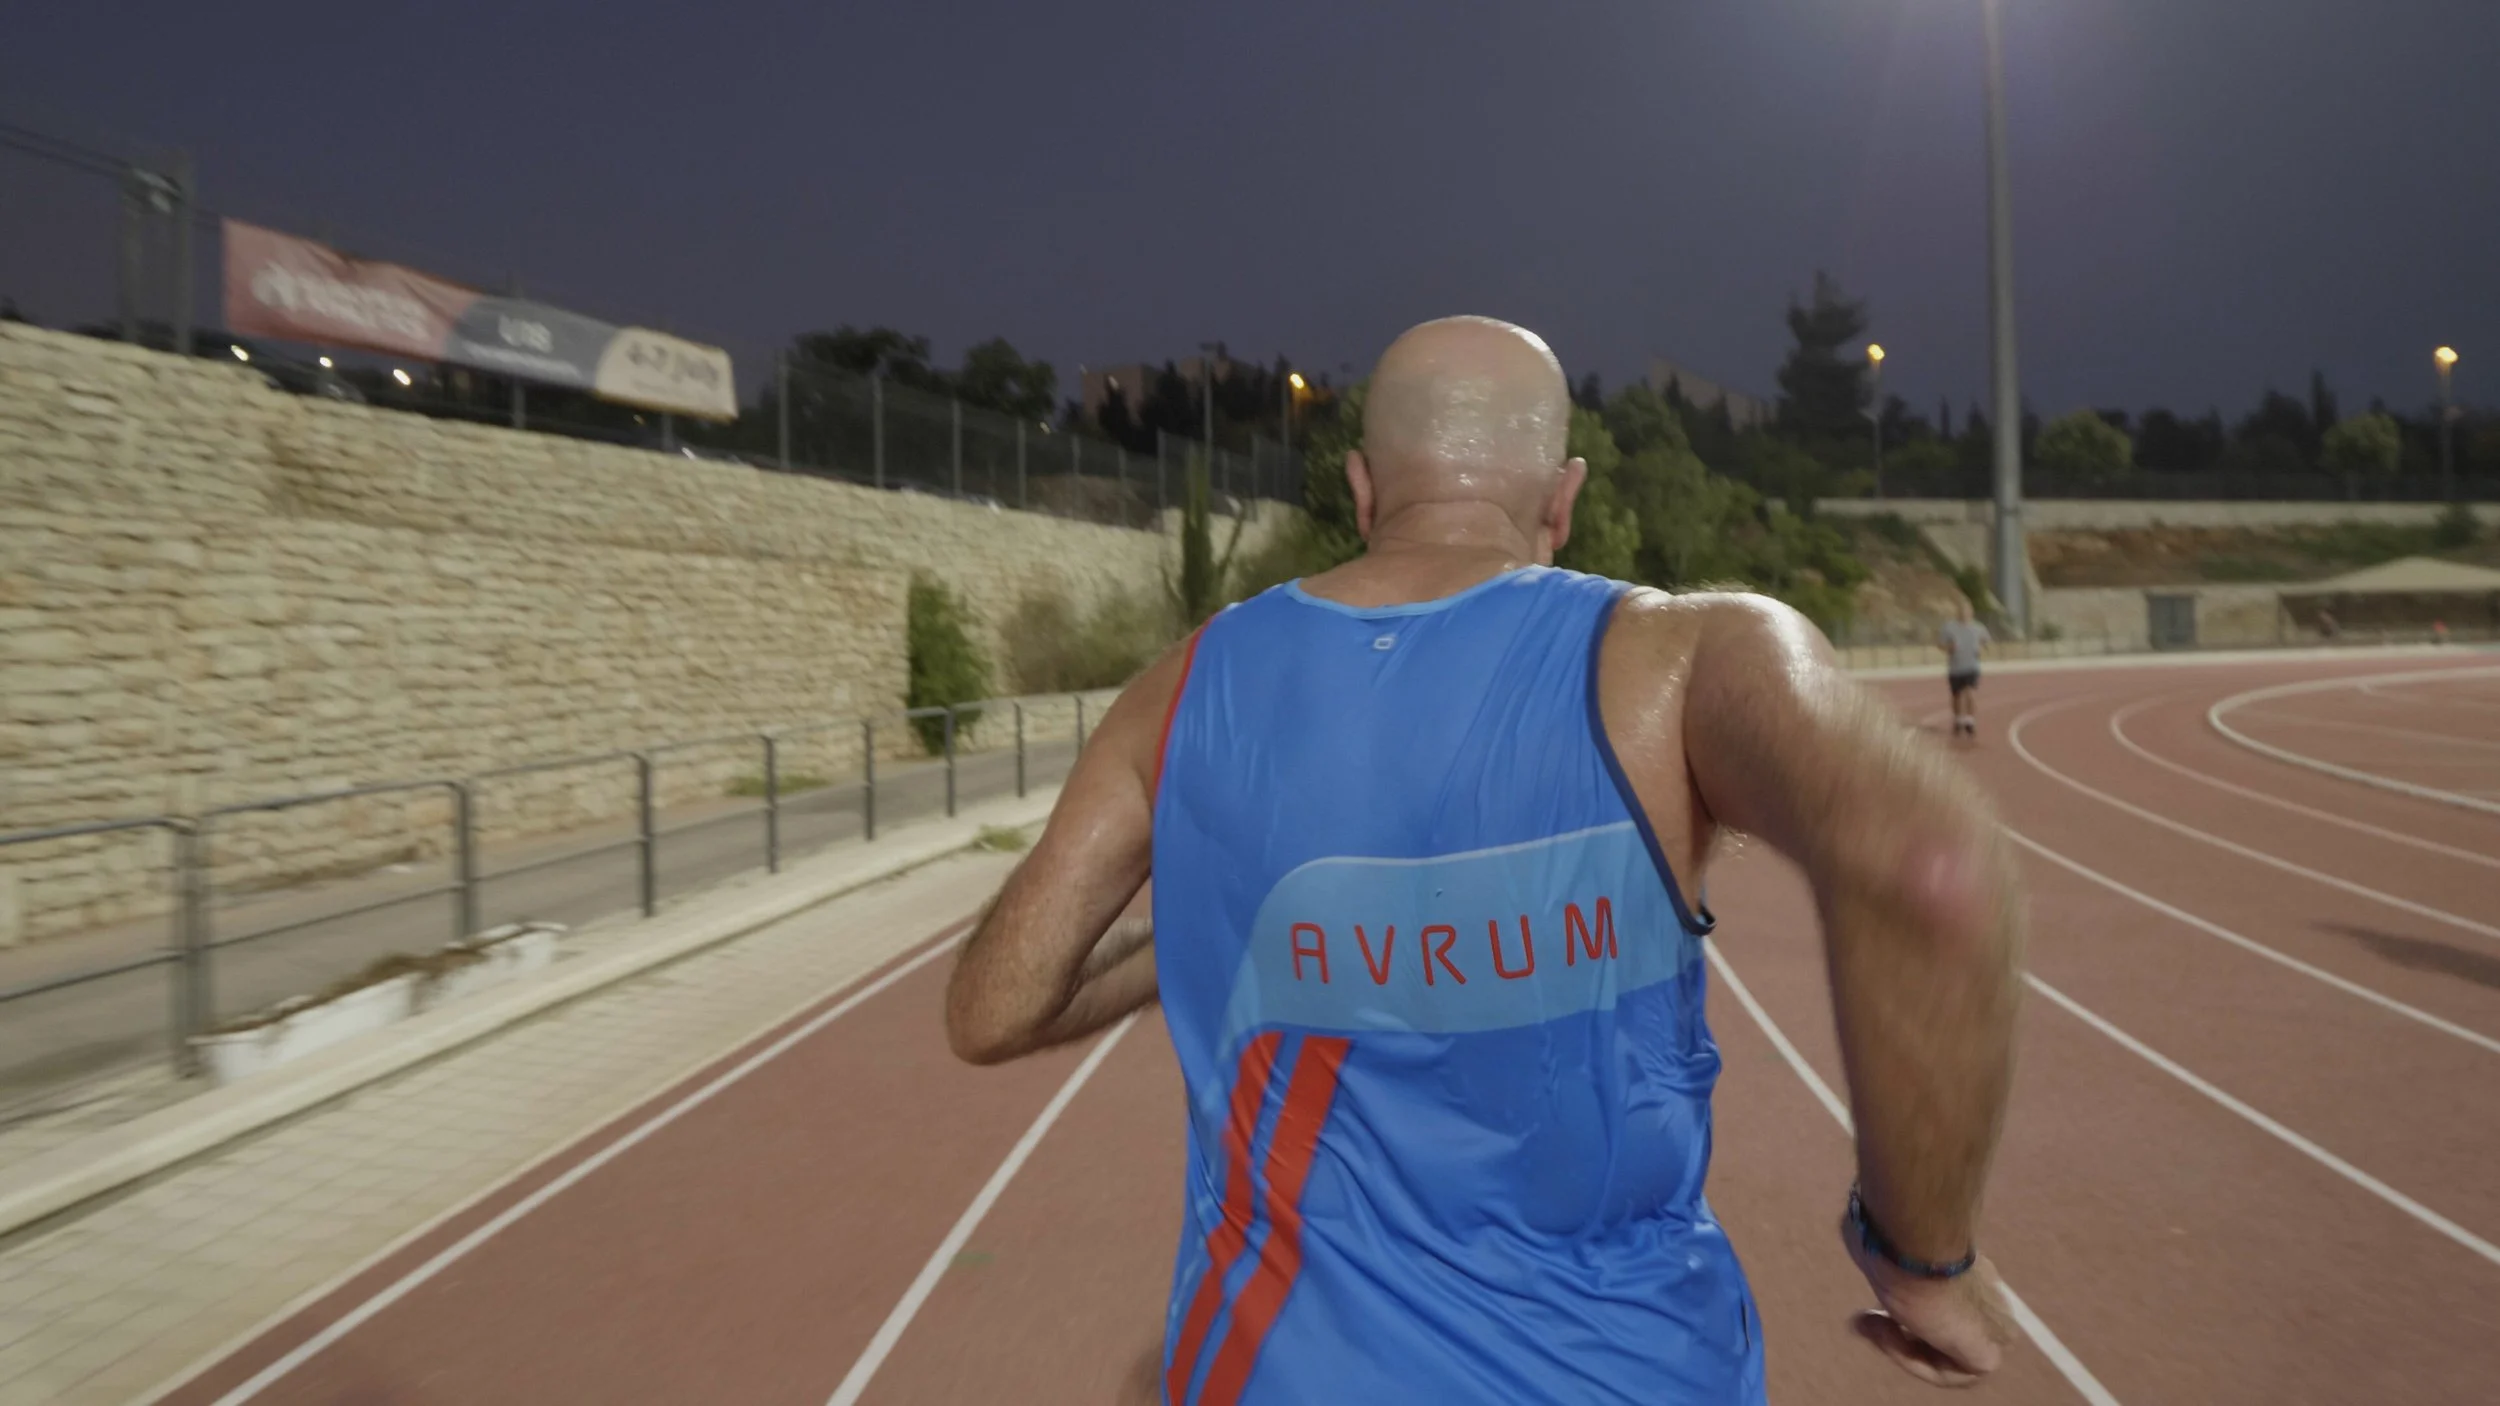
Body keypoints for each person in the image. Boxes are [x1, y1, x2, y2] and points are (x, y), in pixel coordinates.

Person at [945, 316, 2026, 1404]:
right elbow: (1932, 867)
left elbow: (994, 1006)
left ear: (1362, 489)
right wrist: (1918, 1255)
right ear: (1564, 497)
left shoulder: (1177, 689)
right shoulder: (1687, 658)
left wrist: (1236, 941)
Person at [1938, 600, 1990, 739]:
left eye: (1967, 611)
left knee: (1970, 692)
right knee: (1956, 696)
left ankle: (1969, 721)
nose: (1964, 614)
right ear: (1957, 613)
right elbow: (1940, 644)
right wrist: (1949, 647)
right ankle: (1958, 720)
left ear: (1971, 612)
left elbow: (1986, 641)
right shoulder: (1949, 628)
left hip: (1971, 666)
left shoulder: (1978, 628)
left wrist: (1981, 648)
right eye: (1961, 611)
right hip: (1955, 667)